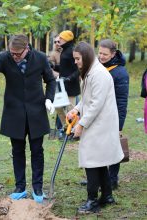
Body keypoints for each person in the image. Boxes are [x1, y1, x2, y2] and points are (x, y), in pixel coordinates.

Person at [0, 34, 56, 203]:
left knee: (37, 151)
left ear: (27, 48)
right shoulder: (5, 57)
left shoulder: (40, 58)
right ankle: (20, 187)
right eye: (13, 53)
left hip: (36, 112)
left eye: (19, 54)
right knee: (17, 151)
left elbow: (50, 80)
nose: (15, 57)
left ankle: (37, 187)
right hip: (14, 112)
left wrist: (49, 99)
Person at [67, 41, 124, 213]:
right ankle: (107, 196)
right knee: (99, 162)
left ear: (85, 57)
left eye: (77, 59)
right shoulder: (92, 72)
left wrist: (81, 125)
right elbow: (87, 99)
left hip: (101, 123)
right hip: (97, 122)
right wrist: (76, 110)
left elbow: (96, 104)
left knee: (91, 161)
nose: (75, 62)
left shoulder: (99, 74)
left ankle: (92, 201)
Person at [98, 39, 129, 190]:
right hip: (99, 114)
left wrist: (119, 125)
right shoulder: (99, 67)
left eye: (105, 54)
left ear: (113, 54)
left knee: (112, 147)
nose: (101, 56)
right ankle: (99, 178)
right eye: (100, 53)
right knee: (99, 147)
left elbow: (122, 101)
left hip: (113, 116)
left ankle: (112, 179)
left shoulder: (120, 72)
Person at [55, 30, 80, 136]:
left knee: (72, 111)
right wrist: (53, 66)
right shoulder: (64, 50)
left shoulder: (72, 51)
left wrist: (69, 78)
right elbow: (65, 68)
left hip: (71, 86)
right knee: (58, 107)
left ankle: (76, 132)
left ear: (67, 39)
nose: (58, 40)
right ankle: (67, 127)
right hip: (62, 85)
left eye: (61, 38)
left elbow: (78, 69)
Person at [48, 36, 63, 136]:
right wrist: (60, 76)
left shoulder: (66, 53)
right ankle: (59, 130)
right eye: (55, 41)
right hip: (58, 83)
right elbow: (49, 69)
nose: (57, 43)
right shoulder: (53, 54)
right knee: (60, 106)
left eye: (59, 41)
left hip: (67, 83)